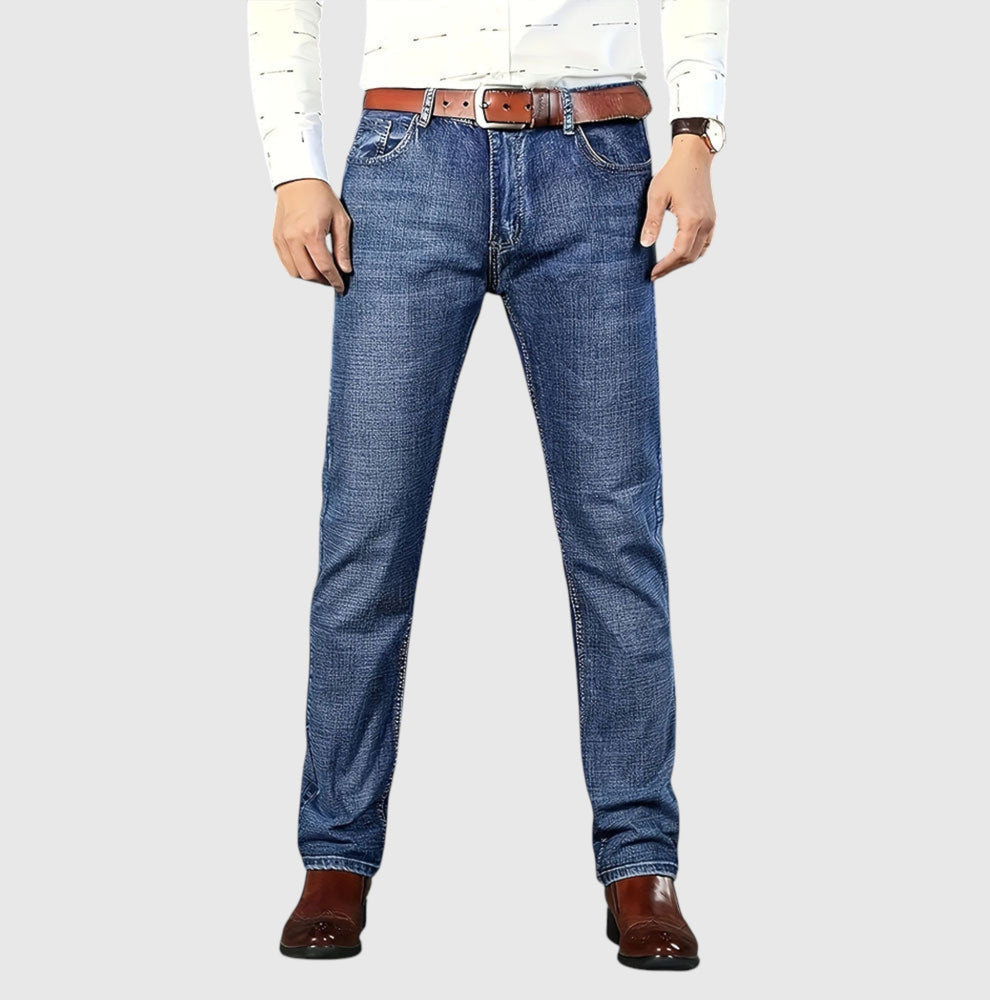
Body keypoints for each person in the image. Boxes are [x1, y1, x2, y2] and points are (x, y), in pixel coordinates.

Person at [247, 0, 728, 970]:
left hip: (597, 158)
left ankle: (642, 864)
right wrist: (295, 166)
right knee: (367, 531)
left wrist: (694, 134)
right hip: (409, 157)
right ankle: (335, 855)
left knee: (617, 533)